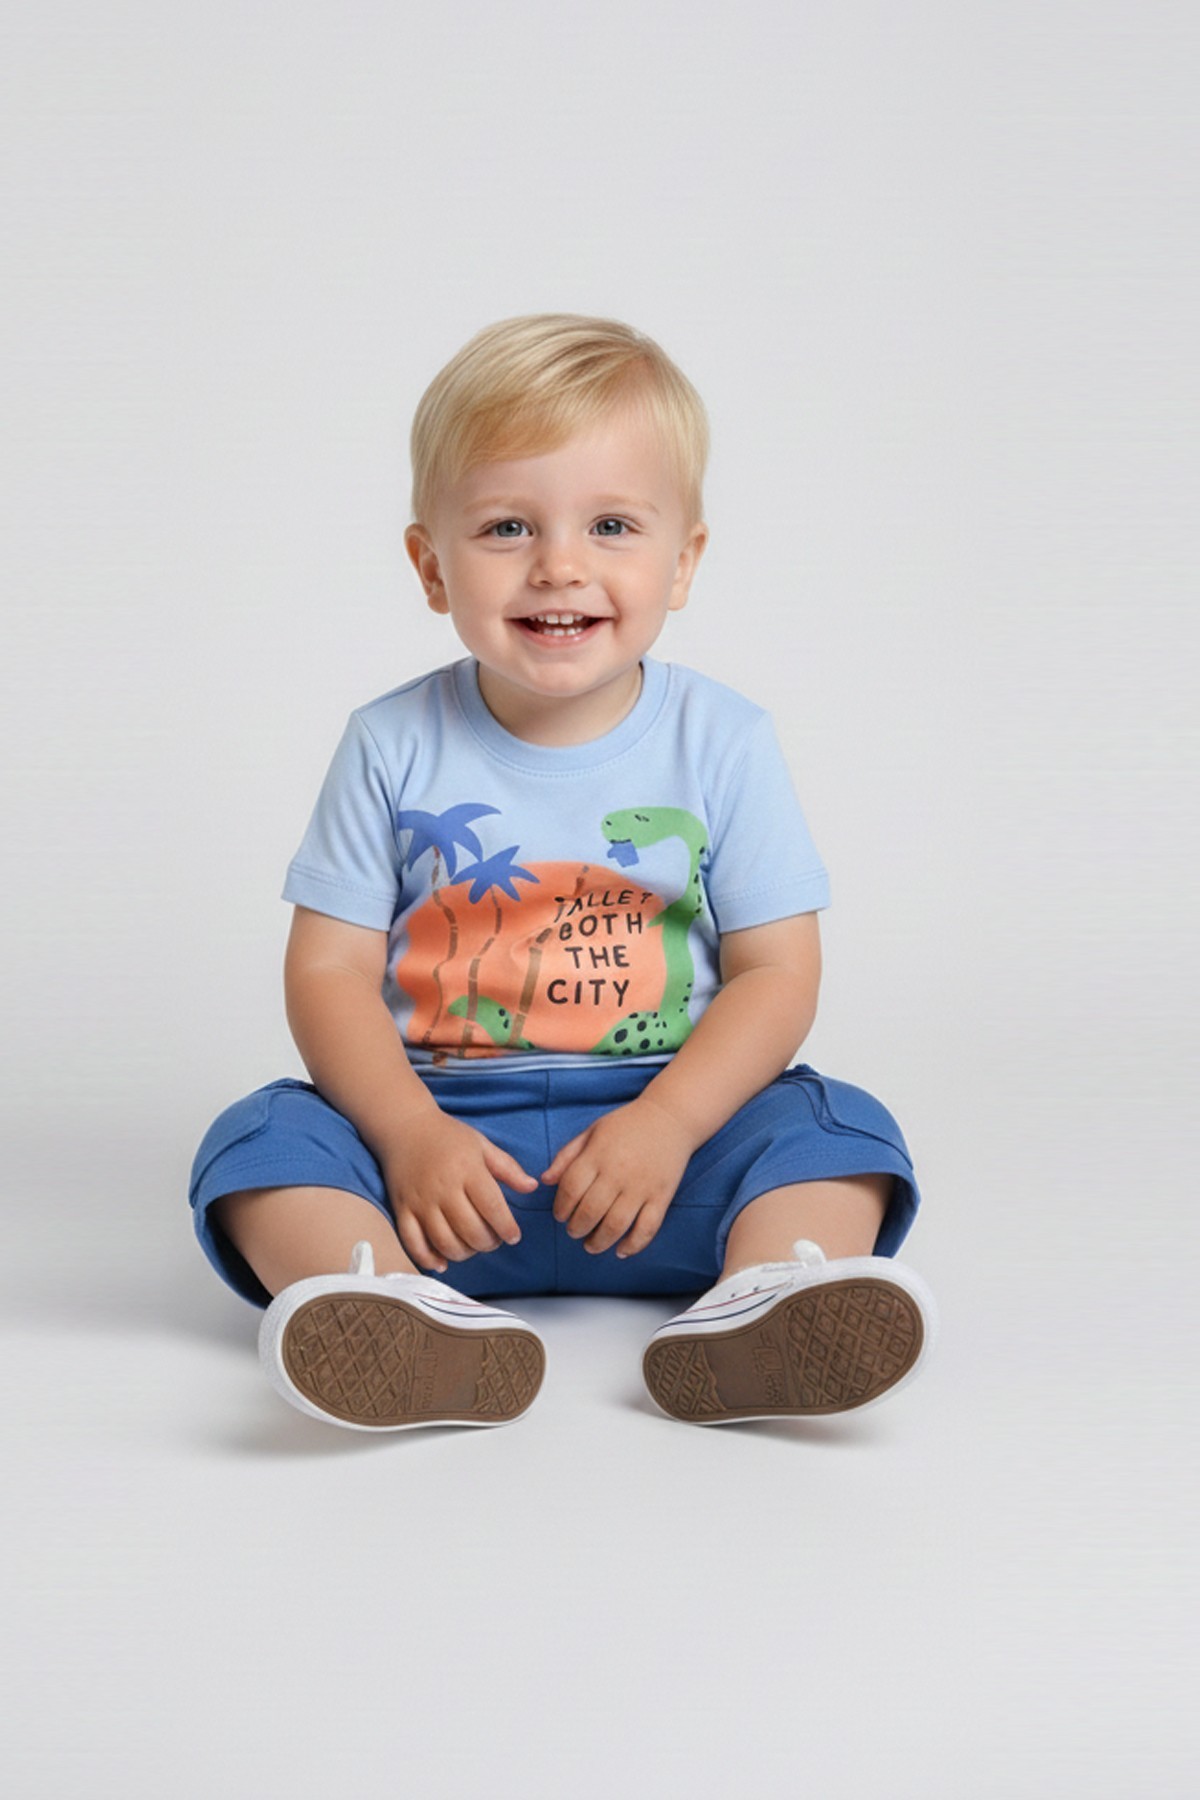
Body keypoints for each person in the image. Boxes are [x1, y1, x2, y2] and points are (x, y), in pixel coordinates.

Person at [188, 312, 938, 1434]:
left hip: (667, 1150)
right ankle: (378, 1298)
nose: (560, 566)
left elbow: (778, 972)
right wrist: (405, 1134)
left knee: (840, 1131)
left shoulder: (724, 740)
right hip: (444, 1168)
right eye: (506, 527)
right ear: (430, 566)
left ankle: (769, 1293)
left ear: (683, 562)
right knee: (257, 1142)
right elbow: (329, 972)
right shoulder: (389, 742)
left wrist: (670, 1124)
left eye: (612, 525)